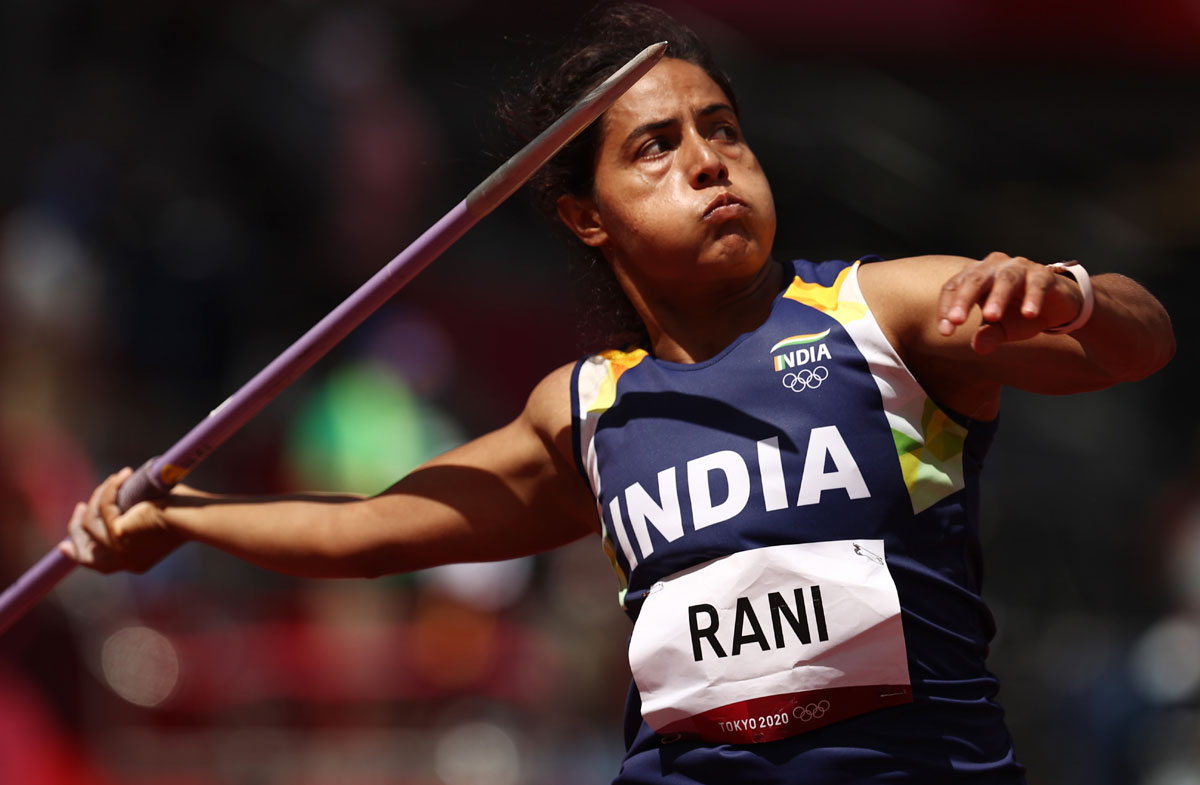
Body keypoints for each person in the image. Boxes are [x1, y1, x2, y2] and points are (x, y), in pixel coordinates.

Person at [62, 4, 1174, 783]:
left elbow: (1138, 342)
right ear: (584, 215)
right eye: (655, 146)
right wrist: (180, 519)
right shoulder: (587, 407)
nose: (709, 161)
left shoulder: (884, 311)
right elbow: (374, 527)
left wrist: (1072, 295)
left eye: (724, 129)